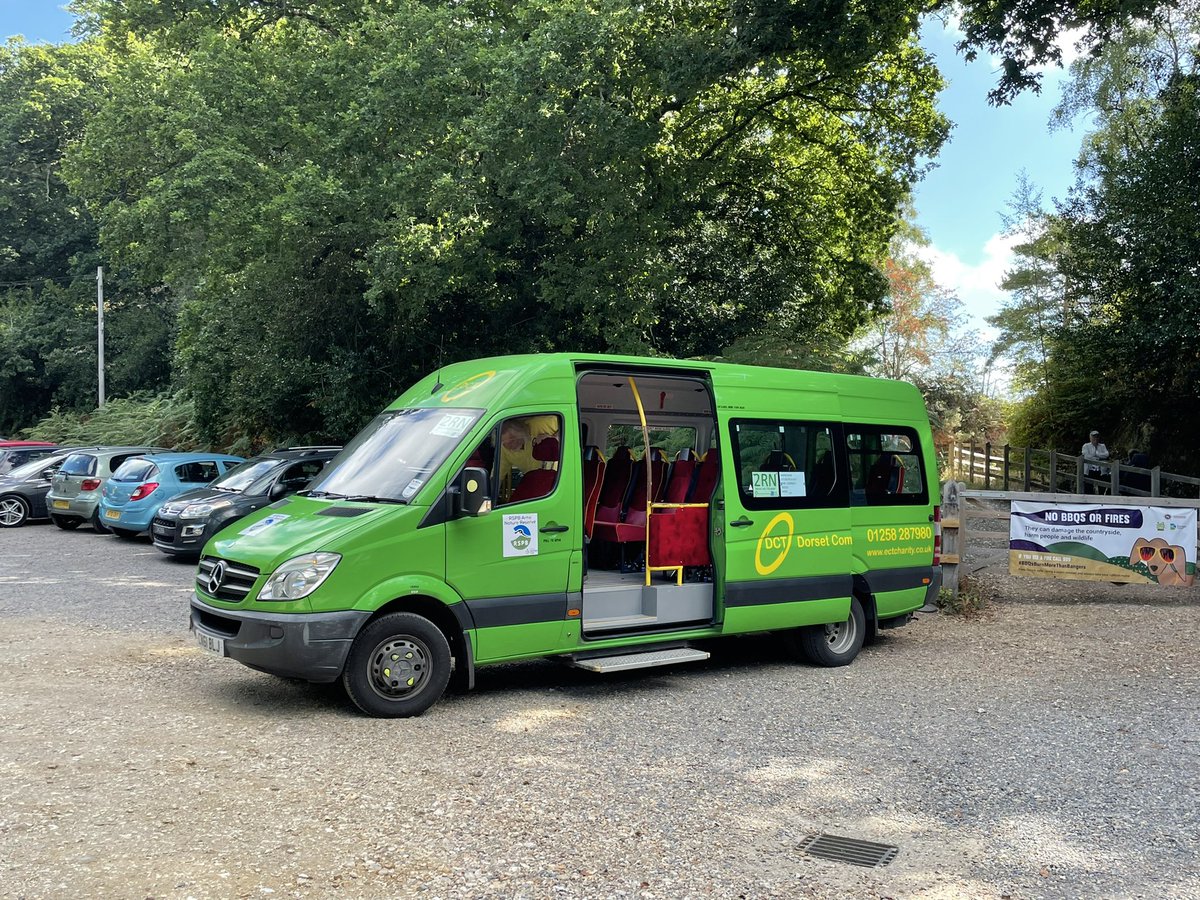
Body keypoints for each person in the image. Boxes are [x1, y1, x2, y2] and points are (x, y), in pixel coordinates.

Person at [499, 415, 559, 499]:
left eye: (512, 440)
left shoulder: (541, 424)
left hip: (558, 481)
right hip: (534, 484)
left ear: (519, 432)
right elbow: (497, 476)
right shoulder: (504, 450)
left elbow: (571, 423)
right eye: (505, 444)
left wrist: (554, 438)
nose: (510, 446)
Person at [1081, 429, 1109, 494]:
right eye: (1094, 437)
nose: (1095, 438)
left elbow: (1106, 455)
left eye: (1097, 437)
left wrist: (1096, 454)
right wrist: (1098, 458)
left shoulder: (1102, 446)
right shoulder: (1086, 446)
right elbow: (1086, 456)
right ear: (1090, 438)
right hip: (1089, 470)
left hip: (1100, 470)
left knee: (1102, 486)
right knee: (1088, 487)